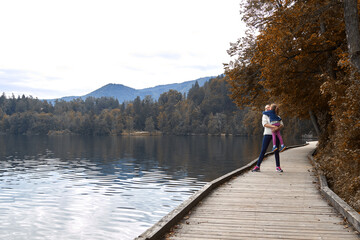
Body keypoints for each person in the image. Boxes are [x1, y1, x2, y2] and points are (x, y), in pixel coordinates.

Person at [252, 104, 284, 173]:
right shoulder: (265, 116)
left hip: (275, 134)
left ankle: (278, 167)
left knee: (276, 150)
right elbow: (265, 124)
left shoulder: (277, 116)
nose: (267, 109)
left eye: (268, 107)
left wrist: (277, 128)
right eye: (265, 108)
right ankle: (257, 166)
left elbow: (282, 124)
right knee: (263, 150)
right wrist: (273, 127)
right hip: (267, 134)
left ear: (271, 108)